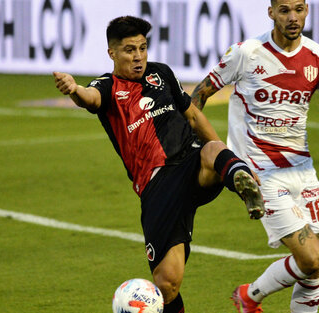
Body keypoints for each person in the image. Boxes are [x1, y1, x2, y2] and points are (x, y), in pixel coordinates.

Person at [53, 16, 264, 313]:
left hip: (190, 163)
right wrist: (74, 89)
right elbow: (90, 99)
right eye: (129, 50)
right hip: (157, 185)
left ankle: (239, 175)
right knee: (166, 284)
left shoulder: (161, 73)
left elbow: (193, 116)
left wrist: (227, 158)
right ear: (112, 52)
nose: (138, 57)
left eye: (142, 48)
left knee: (213, 149)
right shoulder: (107, 86)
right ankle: (232, 170)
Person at [191, 0, 319, 312]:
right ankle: (250, 296)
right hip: (259, 172)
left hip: (303, 171)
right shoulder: (246, 52)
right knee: (311, 258)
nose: (293, 18)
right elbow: (198, 95)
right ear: (271, 13)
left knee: (312, 266)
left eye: (299, 9)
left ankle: (248, 299)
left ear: (307, 10)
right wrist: (187, 140)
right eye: (284, 10)